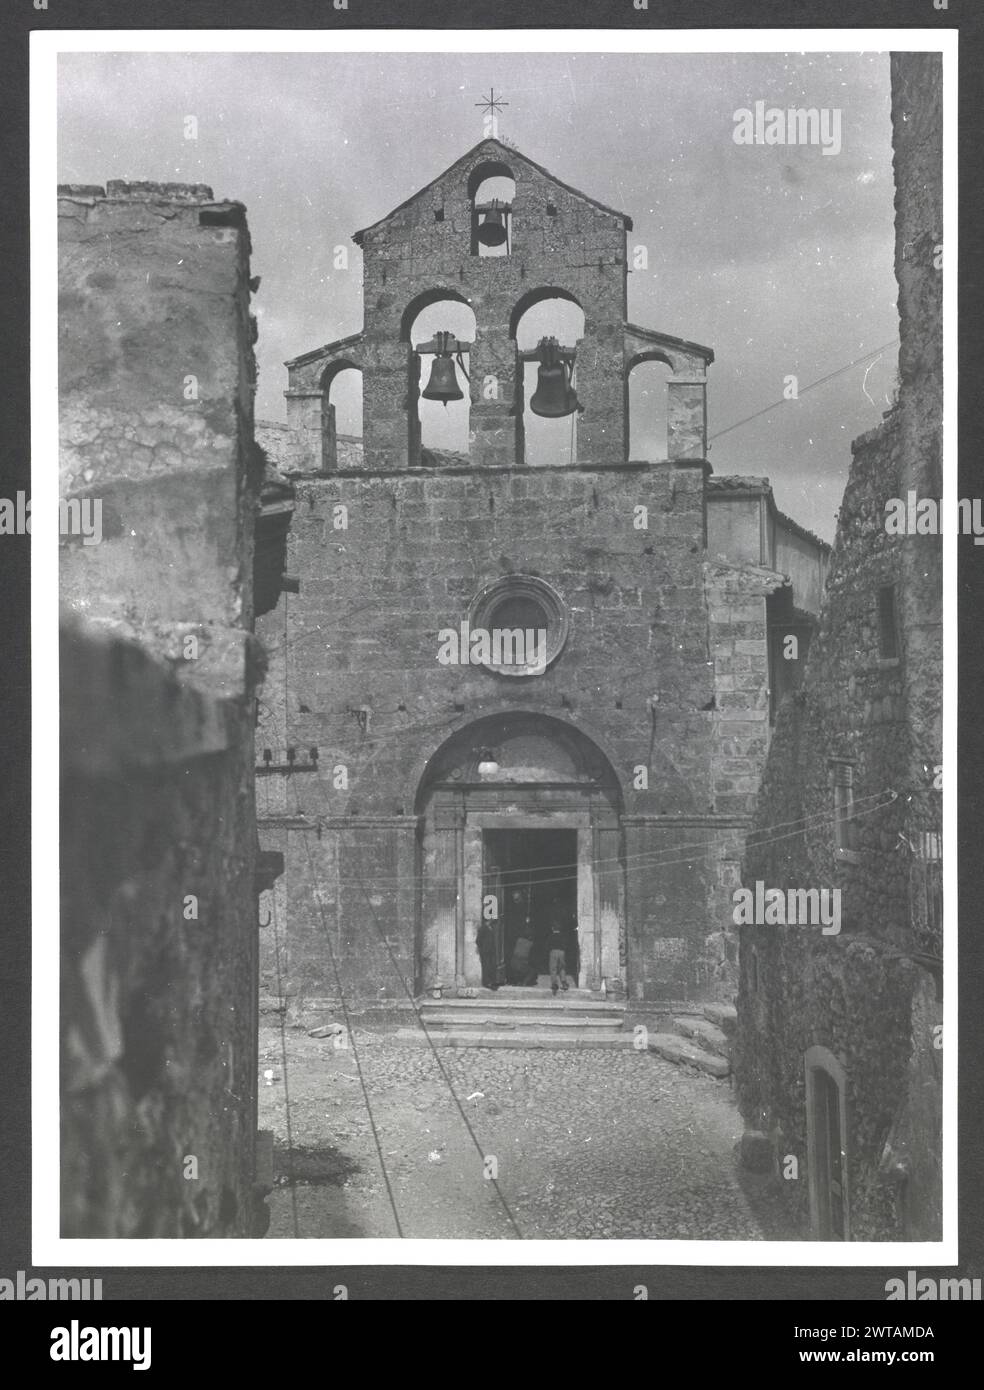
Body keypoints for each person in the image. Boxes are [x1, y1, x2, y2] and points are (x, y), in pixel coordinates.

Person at [546, 905, 569, 995]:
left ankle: (554, 983)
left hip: (553, 952)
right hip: (562, 952)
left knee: (553, 968)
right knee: (562, 968)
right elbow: (566, 944)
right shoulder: (563, 936)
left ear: (552, 928)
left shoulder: (551, 936)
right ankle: (564, 982)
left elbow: (547, 945)